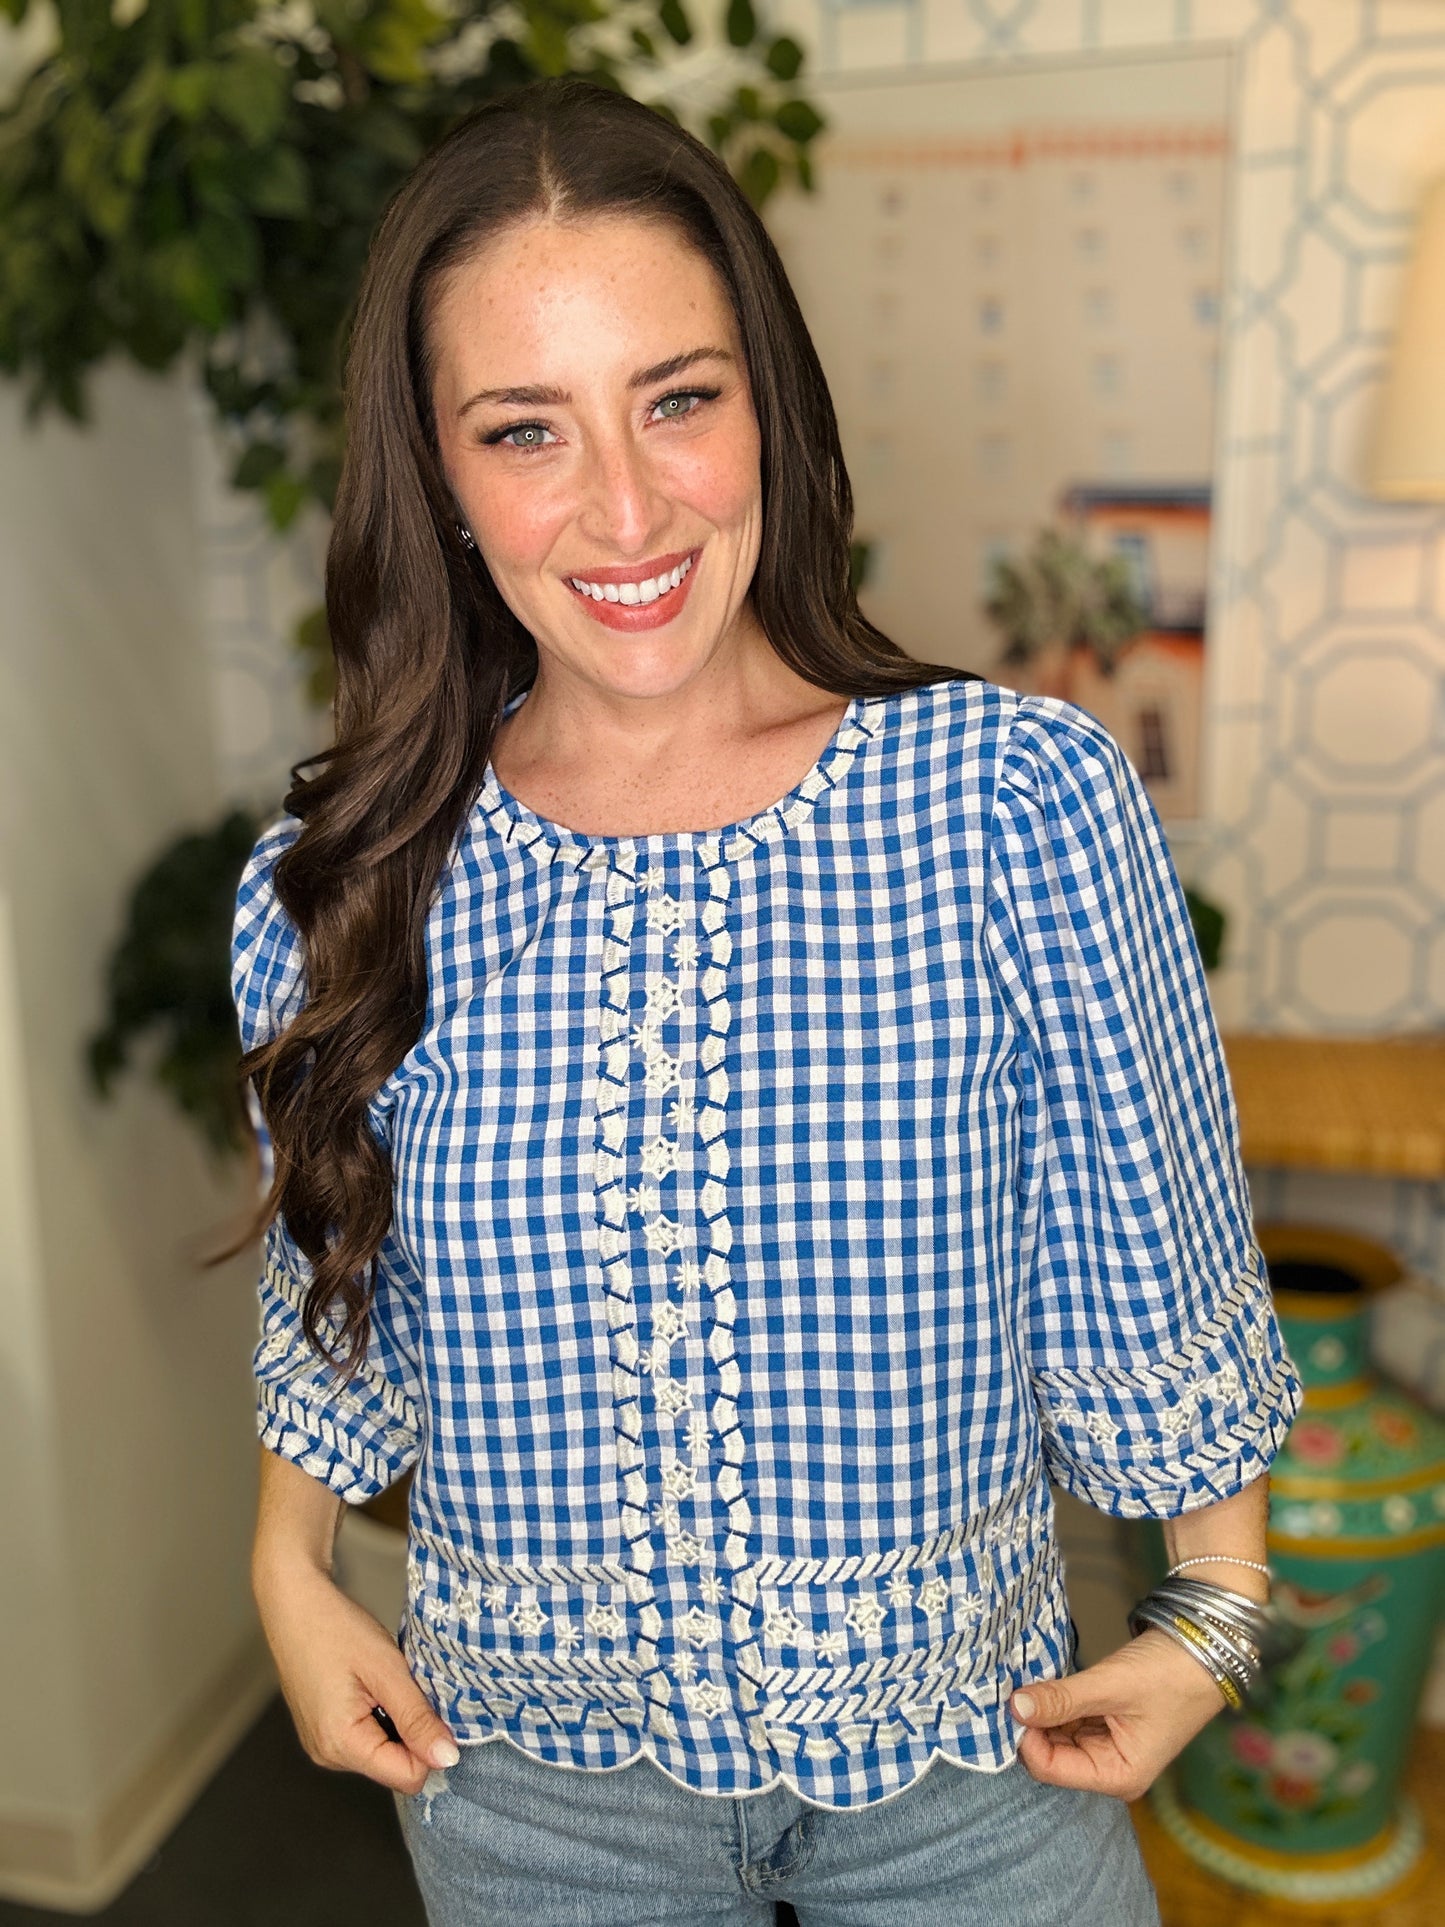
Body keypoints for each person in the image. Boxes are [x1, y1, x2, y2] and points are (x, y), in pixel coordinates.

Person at [231, 78, 1301, 1927]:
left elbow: (1152, 1235)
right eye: (525, 430)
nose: (624, 505)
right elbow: (331, 1269)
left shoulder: (1011, 803)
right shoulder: (339, 880)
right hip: (527, 1796)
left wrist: (1216, 1608)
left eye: (677, 399)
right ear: (441, 481)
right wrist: (287, 1563)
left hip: (974, 1766)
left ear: (768, 411)